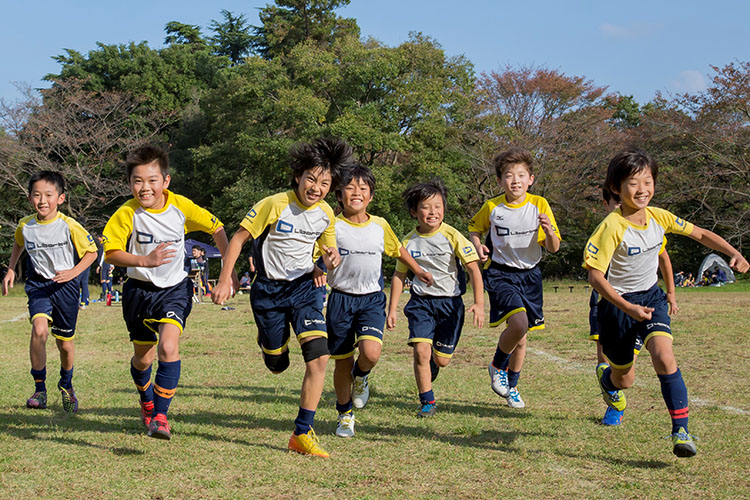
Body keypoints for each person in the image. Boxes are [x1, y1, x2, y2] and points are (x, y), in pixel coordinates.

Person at [584, 148, 748, 457]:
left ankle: (681, 431)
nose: (642, 189)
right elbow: (594, 277)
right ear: (616, 188)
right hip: (618, 306)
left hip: (651, 297)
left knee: (664, 356)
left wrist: (732, 252)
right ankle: (608, 380)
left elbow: (699, 233)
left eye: (648, 181)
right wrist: (627, 307)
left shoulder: (659, 217)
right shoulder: (611, 227)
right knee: (624, 379)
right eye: (633, 183)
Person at [212, 137, 352, 458]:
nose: (317, 188)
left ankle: (301, 433)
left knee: (319, 356)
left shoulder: (326, 214)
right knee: (277, 364)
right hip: (269, 292)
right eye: (312, 179)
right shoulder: (274, 204)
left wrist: (329, 262)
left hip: (305, 290)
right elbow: (238, 238)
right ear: (299, 177)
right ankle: (272, 346)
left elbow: (329, 254)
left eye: (325, 183)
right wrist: (225, 278)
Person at [102, 144, 233, 440]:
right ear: (130, 183)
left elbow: (217, 228)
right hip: (138, 292)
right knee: (144, 359)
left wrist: (228, 272)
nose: (145, 188)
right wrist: (143, 261)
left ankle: (160, 416)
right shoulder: (127, 214)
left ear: (166, 181)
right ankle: (146, 400)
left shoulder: (181, 207)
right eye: (137, 181)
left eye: (152, 180)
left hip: (175, 289)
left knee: (168, 348)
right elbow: (110, 252)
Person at [312, 164, 434, 438]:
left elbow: (398, 250)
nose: (356, 192)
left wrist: (417, 270)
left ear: (371, 196)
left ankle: (361, 375)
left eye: (363, 188)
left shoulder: (379, 225)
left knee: (370, 354)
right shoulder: (331, 224)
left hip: (371, 301)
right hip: (340, 300)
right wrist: (316, 268)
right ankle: (345, 415)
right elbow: (315, 256)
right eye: (350, 188)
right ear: (340, 193)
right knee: (341, 361)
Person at [468, 147, 561, 409]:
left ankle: (512, 386)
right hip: (501, 274)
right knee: (519, 324)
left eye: (521, 175)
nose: (516, 180)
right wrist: (478, 245)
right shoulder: (492, 207)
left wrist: (549, 231)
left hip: (530, 275)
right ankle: (497, 365)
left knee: (522, 337)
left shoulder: (539, 204)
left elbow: (553, 247)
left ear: (530, 179)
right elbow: (475, 228)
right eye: (509, 176)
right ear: (500, 181)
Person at [387, 179, 484, 418]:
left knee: (441, 361)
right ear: (414, 212)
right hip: (421, 303)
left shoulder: (453, 236)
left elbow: (473, 269)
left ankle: (431, 365)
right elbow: (399, 275)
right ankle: (427, 402)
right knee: (421, 351)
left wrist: (479, 303)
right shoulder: (407, 242)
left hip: (451, 304)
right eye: (426, 207)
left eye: (438, 206)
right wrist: (392, 309)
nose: (433, 212)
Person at [2, 171, 98, 412]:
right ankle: (39, 389)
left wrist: (72, 273)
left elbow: (92, 253)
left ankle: (67, 385)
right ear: (30, 198)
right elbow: (19, 242)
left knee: (65, 344)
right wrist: (11, 269)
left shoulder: (69, 225)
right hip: (39, 286)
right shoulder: (26, 225)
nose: (42, 201)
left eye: (48, 195)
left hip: (65, 286)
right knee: (39, 329)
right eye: (37, 195)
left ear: (61, 198)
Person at [588, 187, 678, 426]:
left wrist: (671, 292)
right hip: (608, 301)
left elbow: (663, 257)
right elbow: (595, 275)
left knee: (633, 359)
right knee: (605, 353)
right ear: (606, 204)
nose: (622, 206)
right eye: (616, 202)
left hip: (643, 300)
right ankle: (614, 404)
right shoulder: (608, 229)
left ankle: (614, 384)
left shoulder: (646, 227)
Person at [95, 235, 113, 300]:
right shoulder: (107, 245)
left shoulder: (102, 246)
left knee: (103, 280)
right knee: (108, 280)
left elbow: (102, 256)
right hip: (108, 263)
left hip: (104, 264)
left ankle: (104, 293)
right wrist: (112, 265)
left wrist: (99, 266)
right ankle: (110, 293)